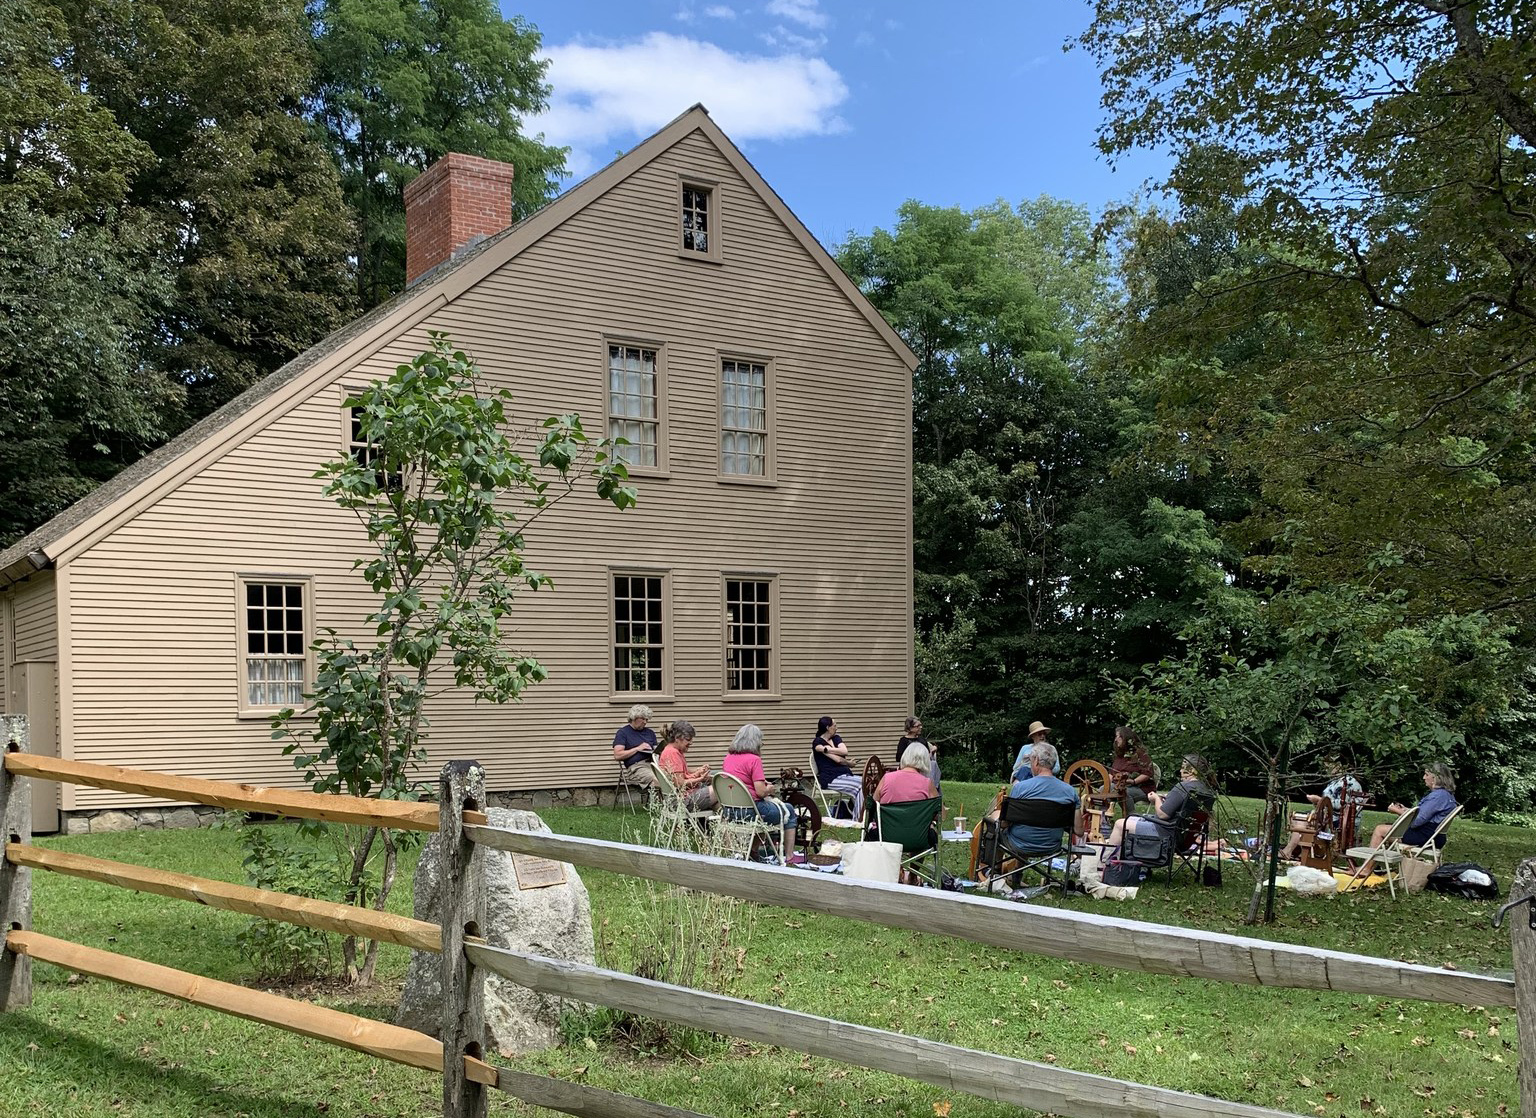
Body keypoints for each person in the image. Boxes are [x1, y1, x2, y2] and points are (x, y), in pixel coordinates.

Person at [1105, 753, 1215, 851]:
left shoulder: (1184, 787)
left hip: (1165, 833)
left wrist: (1156, 799)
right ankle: (1128, 861)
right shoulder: (1206, 791)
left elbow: (1162, 815)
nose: (1181, 771)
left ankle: (1108, 863)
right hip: (1186, 840)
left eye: (1182, 768)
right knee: (1134, 818)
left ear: (1191, 770)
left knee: (1120, 824)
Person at [721, 723, 796, 859]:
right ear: (756, 742)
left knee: (764, 814)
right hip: (751, 812)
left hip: (729, 811)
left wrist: (761, 785)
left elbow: (740, 782)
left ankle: (753, 852)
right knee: (789, 810)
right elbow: (761, 792)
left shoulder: (728, 758)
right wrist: (770, 789)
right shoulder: (754, 760)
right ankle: (790, 857)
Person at [1005, 742, 1081, 852]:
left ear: (1036, 761)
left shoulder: (1020, 788)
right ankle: (1018, 867)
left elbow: (1005, 823)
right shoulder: (1070, 792)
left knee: (992, 833)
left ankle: (996, 868)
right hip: (1052, 846)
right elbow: (1079, 831)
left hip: (1018, 844)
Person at [1280, 761, 1363, 860]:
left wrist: (1319, 800)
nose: (1327, 768)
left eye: (1329, 765)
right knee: (1298, 818)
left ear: (1339, 766)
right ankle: (1299, 850)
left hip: (1337, 826)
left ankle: (1290, 851)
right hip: (1330, 819)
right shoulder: (1336, 781)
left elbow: (1342, 805)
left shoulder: (1349, 782)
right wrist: (1318, 803)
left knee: (1303, 822)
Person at [1370, 762, 1457, 850]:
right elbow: (1425, 814)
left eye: (1426, 775)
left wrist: (1397, 811)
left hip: (1424, 837)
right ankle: (1377, 862)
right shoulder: (1446, 795)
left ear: (1435, 778)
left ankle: (1367, 864)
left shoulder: (1437, 797)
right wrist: (1406, 810)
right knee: (1388, 826)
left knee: (1380, 830)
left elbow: (1416, 821)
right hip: (1434, 836)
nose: (1424, 778)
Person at [811, 716, 864, 820]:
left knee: (866, 782)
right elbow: (838, 760)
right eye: (834, 725)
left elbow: (844, 751)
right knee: (859, 787)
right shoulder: (817, 742)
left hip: (844, 774)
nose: (836, 728)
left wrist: (826, 750)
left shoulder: (836, 738)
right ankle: (857, 820)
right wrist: (847, 762)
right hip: (830, 778)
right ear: (827, 727)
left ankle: (863, 816)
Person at [657, 719, 715, 810]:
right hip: (681, 801)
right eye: (688, 739)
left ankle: (712, 822)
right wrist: (700, 779)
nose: (691, 742)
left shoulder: (671, 750)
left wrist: (698, 771)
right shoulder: (672, 753)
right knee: (721, 789)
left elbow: (682, 773)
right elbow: (680, 784)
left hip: (682, 796)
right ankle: (723, 821)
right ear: (677, 738)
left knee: (716, 777)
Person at [1108, 726, 1156, 812]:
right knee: (1103, 789)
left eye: (1117, 736)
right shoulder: (1120, 755)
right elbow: (1111, 773)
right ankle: (1103, 818)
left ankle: (1131, 818)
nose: (1115, 740)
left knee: (1123, 792)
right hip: (1119, 785)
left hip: (1142, 788)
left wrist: (1133, 781)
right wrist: (1108, 782)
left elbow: (1147, 774)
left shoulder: (1140, 754)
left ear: (1125, 738)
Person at [875, 742, 939, 804]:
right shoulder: (927, 784)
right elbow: (940, 812)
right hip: (916, 814)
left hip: (887, 815)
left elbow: (873, 805)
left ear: (904, 757)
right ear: (926, 761)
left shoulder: (886, 778)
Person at [893, 716, 942, 796]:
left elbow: (927, 755)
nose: (921, 727)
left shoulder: (922, 740)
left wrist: (932, 751)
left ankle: (934, 794)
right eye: (918, 726)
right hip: (909, 769)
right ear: (910, 728)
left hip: (923, 768)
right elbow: (898, 758)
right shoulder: (903, 741)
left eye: (921, 725)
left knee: (933, 767)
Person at [611, 704, 657, 787]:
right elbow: (617, 755)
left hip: (653, 764)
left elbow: (657, 751)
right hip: (637, 767)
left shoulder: (650, 733)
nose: (645, 722)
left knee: (671, 776)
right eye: (643, 719)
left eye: (647, 719)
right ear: (634, 717)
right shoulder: (623, 733)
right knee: (657, 779)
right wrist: (638, 749)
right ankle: (663, 799)